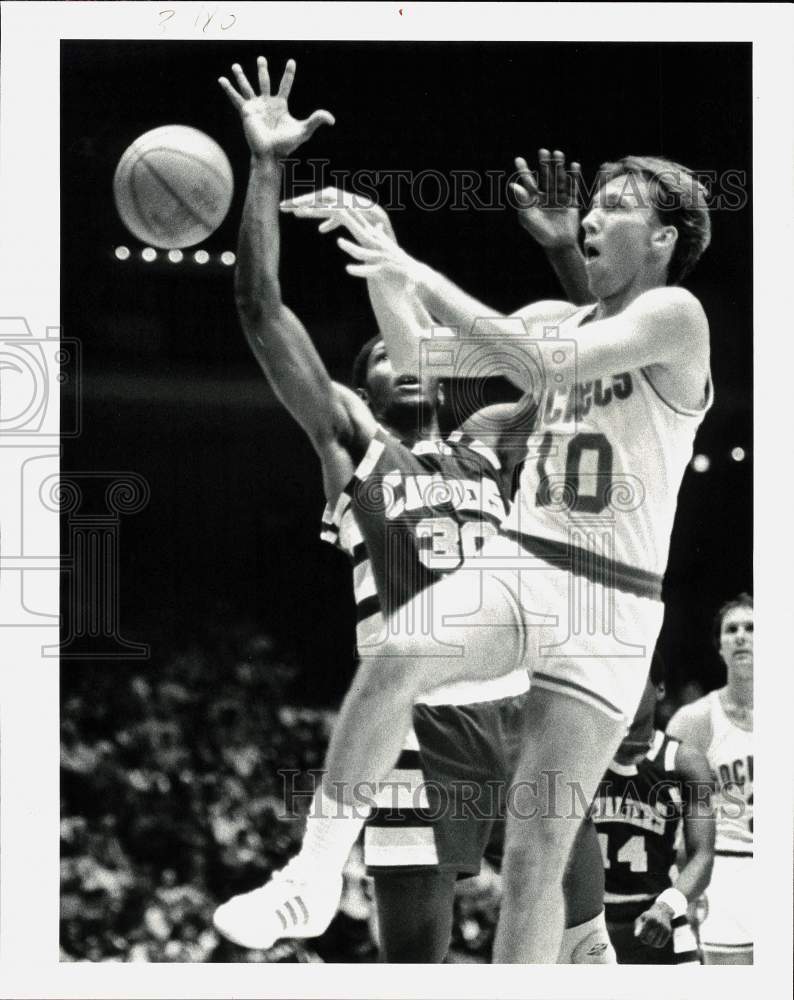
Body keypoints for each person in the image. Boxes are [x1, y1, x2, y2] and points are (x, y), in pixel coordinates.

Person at [246, 128, 714, 963]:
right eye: (596, 201)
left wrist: (411, 261)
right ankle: (313, 877)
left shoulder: (676, 317)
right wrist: (386, 261)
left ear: (666, 237)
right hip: (523, 558)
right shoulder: (552, 313)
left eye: (617, 205)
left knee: (537, 855)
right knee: (397, 656)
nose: (594, 215)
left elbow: (542, 364)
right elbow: (424, 352)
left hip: (612, 603)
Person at [212, 57, 612, 964]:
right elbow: (261, 310)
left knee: (583, 946)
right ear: (360, 389)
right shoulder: (354, 449)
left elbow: (600, 371)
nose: (399, 364)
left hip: (525, 702)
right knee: (416, 966)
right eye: (377, 360)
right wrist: (268, 168)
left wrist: (559, 250)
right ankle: (310, 879)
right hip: (413, 723)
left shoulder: (490, 438)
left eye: (407, 354)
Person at [593, 655, 715, 963]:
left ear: (659, 689)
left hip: (657, 915)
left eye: (636, 678)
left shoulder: (684, 761)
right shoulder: (582, 754)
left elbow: (702, 854)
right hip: (589, 919)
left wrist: (667, 905)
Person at [667, 593, 753, 964]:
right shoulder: (696, 720)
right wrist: (682, 884)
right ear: (719, 646)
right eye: (731, 629)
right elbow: (669, 813)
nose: (741, 636)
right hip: (725, 870)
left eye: (751, 628)